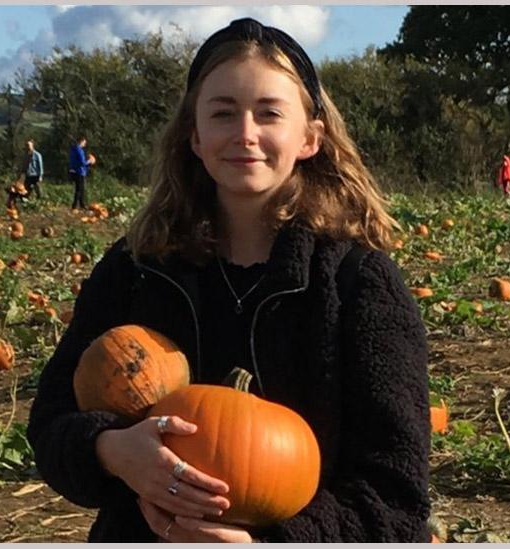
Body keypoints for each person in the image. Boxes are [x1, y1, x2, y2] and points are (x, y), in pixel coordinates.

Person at [26, 17, 431, 543]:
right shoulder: (137, 270)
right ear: (194, 136)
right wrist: (111, 450)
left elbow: (396, 496)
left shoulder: (359, 282)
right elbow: (51, 423)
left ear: (310, 137)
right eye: (222, 113)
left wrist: (271, 543)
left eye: (269, 114)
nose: (245, 134)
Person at [68, 136, 96, 210]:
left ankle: (82, 204)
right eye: (84, 142)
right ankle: (74, 206)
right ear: (81, 141)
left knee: (81, 188)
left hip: (73, 170)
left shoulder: (72, 149)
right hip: (79, 171)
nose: (85, 144)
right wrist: (90, 161)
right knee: (79, 189)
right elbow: (82, 162)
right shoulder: (79, 150)